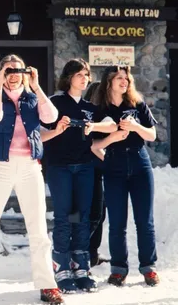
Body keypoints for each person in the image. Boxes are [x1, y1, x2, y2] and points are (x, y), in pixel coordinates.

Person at [0, 54, 64, 305]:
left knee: (39, 229)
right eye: (8, 70)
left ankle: (47, 285)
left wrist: (37, 85)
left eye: (18, 69)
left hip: (30, 167)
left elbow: (51, 116)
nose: (14, 73)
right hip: (0, 167)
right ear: (0, 74)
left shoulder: (32, 98)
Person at [41, 59, 117, 293]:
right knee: (64, 216)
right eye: (80, 75)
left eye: (87, 75)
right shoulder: (54, 103)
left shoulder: (89, 107)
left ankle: (80, 266)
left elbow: (112, 126)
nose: (84, 78)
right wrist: (58, 128)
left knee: (80, 216)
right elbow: (40, 131)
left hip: (84, 168)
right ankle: (61, 266)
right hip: (60, 167)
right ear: (68, 77)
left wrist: (92, 126)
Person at [92, 66, 159, 287]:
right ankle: (118, 269)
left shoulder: (137, 104)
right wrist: (112, 138)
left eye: (127, 78)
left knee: (144, 221)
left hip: (140, 164)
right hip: (114, 166)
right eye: (119, 78)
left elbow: (152, 134)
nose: (124, 81)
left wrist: (136, 126)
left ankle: (148, 268)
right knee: (117, 222)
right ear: (109, 81)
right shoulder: (100, 109)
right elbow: (95, 146)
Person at [83, 81, 110, 268]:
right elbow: (92, 145)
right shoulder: (88, 116)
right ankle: (79, 253)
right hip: (88, 169)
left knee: (101, 214)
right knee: (92, 214)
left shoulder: (103, 115)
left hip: (100, 170)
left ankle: (92, 253)